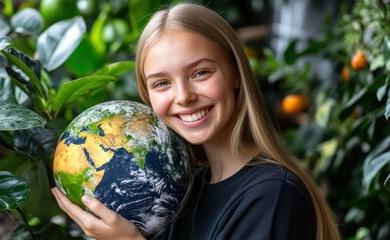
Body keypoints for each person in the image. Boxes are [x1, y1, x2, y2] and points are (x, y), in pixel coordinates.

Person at [52, 2, 341, 240]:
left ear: (236, 73)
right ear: (147, 97)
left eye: (200, 73)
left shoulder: (272, 196)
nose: (184, 96)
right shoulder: (178, 193)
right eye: (162, 83)